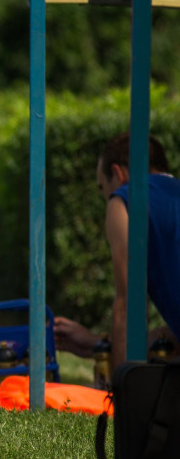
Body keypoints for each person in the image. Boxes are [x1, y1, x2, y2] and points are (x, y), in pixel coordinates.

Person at [54, 134, 180, 370]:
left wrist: (123, 395)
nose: (106, 197)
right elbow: (169, 339)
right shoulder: (173, 196)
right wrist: (96, 343)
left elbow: (127, 306)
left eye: (103, 187)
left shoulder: (125, 199)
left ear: (118, 173)